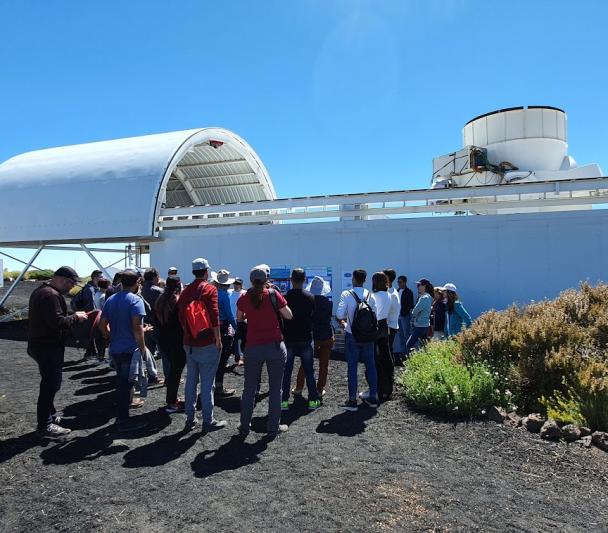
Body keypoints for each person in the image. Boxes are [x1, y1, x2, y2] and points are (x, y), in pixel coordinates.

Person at [28, 266, 88, 436]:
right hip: (47, 346)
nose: (72, 287)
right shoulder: (50, 295)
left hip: (40, 345)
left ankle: (50, 416)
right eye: (71, 283)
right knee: (50, 385)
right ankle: (45, 425)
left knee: (50, 382)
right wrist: (76, 317)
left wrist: (73, 314)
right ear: (62, 280)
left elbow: (55, 317)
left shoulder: (43, 291)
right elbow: (58, 322)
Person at [237, 267, 292, 437]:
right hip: (274, 345)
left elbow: (239, 318)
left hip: (253, 347)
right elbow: (289, 315)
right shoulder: (274, 295)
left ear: (251, 280)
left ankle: (244, 426)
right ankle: (272, 427)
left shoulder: (245, 297)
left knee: (249, 388)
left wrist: (251, 316)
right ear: (266, 279)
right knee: (276, 389)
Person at [177, 257, 226, 432]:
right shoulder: (209, 289)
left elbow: (181, 316)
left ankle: (190, 418)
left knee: (191, 380)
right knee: (207, 382)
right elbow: (214, 316)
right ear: (206, 272)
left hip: (189, 342)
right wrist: (218, 339)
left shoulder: (185, 291)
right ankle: (208, 420)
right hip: (207, 342)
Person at [99, 269, 150, 432]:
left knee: (121, 382)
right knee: (125, 385)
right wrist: (143, 348)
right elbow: (137, 328)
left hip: (115, 347)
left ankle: (123, 415)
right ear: (137, 283)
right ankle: (122, 420)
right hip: (129, 349)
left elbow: (102, 325)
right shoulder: (136, 301)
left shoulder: (111, 299)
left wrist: (110, 336)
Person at [336, 268, 379, 411]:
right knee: (371, 365)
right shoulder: (370, 295)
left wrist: (344, 324)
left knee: (352, 367)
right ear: (365, 280)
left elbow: (339, 314)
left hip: (352, 334)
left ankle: (352, 400)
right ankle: (373, 397)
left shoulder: (346, 294)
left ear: (353, 278)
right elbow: (375, 316)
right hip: (368, 336)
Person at [281, 268, 321, 411]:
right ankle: (312, 401)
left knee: (287, 372)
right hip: (305, 338)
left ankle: (284, 402)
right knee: (309, 371)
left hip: (289, 339)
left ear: (291, 280)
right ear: (304, 280)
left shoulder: (284, 297)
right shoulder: (311, 297)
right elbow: (313, 317)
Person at [294, 276, 333, 398]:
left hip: (312, 336)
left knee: (305, 363)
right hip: (327, 335)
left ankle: (299, 388)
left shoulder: (308, 301)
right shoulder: (328, 303)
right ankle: (320, 389)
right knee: (324, 365)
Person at [154, 275, 187, 413]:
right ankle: (172, 403)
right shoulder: (176, 300)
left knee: (173, 371)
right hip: (177, 340)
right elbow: (181, 323)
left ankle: (171, 400)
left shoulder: (160, 299)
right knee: (176, 372)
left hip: (163, 339)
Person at [369, 272, 394, 401]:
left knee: (374, 359)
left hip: (375, 326)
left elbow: (371, 312)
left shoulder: (373, 296)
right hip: (385, 325)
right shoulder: (389, 295)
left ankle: (376, 389)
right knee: (387, 357)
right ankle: (388, 388)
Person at [141, 267, 169, 379]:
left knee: (149, 353)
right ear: (154, 277)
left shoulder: (141, 290)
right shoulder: (158, 291)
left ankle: (151, 376)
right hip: (158, 325)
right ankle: (169, 377)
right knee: (165, 353)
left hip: (145, 325)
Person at [215, 269, 237, 397]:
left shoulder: (213, 293)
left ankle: (213, 385)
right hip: (223, 327)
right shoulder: (224, 296)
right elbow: (229, 314)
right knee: (222, 359)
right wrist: (236, 327)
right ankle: (219, 386)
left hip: (212, 327)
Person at [404, 279, 434, 356]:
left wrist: (415, 312)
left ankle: (409, 363)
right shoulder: (429, 297)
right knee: (423, 346)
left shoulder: (424, 298)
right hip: (425, 325)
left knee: (409, 345)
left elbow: (414, 312)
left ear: (424, 286)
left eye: (419, 285)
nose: (418, 287)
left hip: (420, 325)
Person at [395, 275, 414, 365]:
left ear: (405, 282)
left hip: (404, 317)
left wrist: (404, 313)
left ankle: (408, 354)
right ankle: (403, 353)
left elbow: (410, 305)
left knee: (407, 335)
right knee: (400, 336)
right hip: (397, 317)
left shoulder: (409, 292)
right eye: (398, 282)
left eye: (401, 282)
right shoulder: (397, 291)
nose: (399, 283)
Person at [383, 268, 400, 363]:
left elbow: (384, 311)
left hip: (389, 325)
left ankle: (389, 374)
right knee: (388, 349)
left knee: (387, 351)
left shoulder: (390, 293)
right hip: (391, 325)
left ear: (387, 278)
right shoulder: (392, 291)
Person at [229, 278, 247, 363]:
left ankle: (239, 357)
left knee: (239, 339)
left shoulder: (245, 293)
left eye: (238, 284)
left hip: (241, 320)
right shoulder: (229, 292)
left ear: (241, 285)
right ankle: (233, 357)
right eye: (235, 283)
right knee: (230, 339)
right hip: (230, 319)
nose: (236, 285)